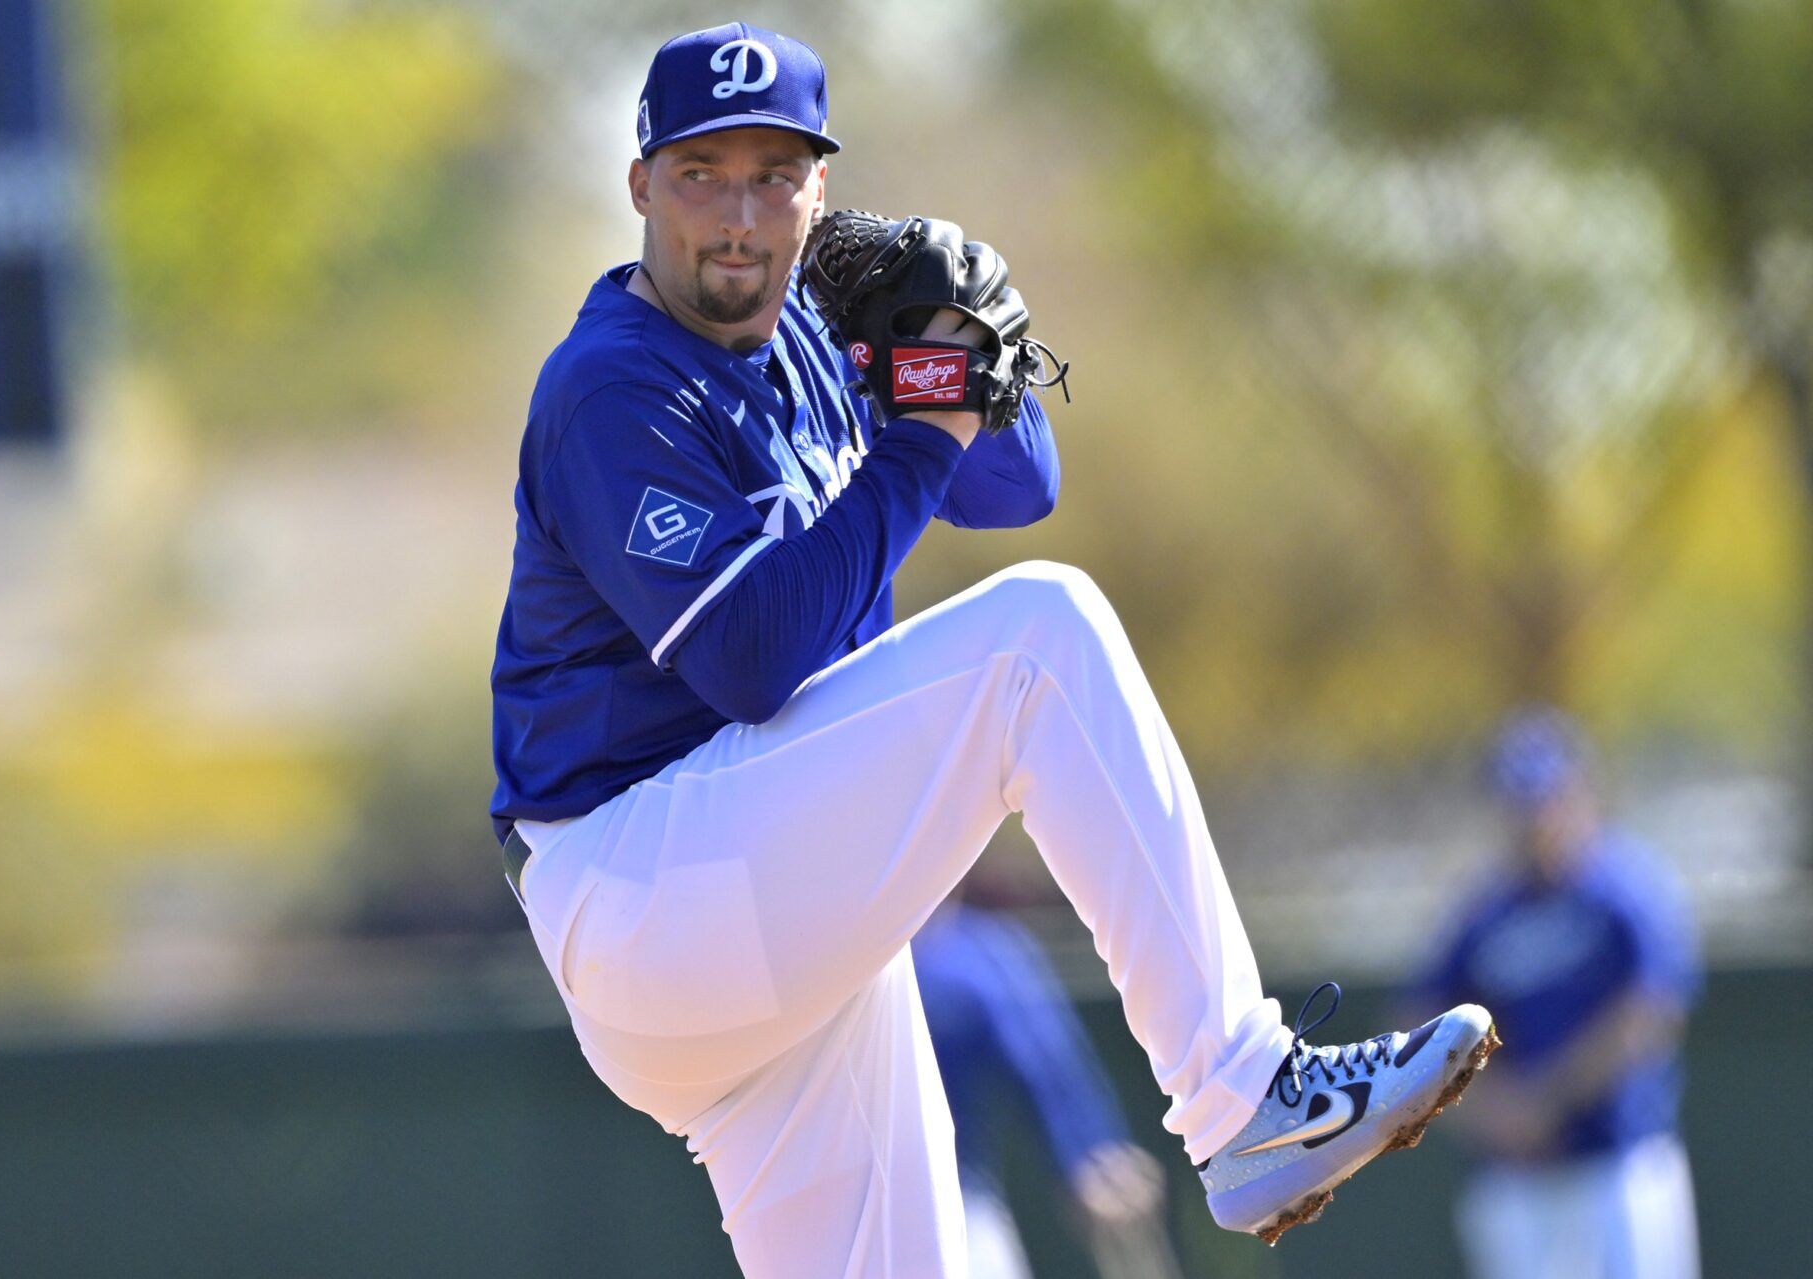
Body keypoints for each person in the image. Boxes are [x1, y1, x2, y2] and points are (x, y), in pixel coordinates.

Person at [489, 22, 1495, 1275]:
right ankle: (1242, 1097)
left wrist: (963, 348)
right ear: (641, 184)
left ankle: (1245, 1104)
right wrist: (926, 426)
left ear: (821, 189)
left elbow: (1017, 486)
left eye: (773, 173)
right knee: (1039, 636)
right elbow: (748, 660)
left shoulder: (810, 333)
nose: (738, 215)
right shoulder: (614, 384)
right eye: (702, 174)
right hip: (644, 890)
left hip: (769, 896)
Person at [1410, 708, 1701, 1279]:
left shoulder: (1624, 888)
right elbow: (1423, 1017)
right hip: (1518, 1172)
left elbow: (1652, 1011)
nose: (1534, 818)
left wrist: (1547, 1099)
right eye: (1519, 802)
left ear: (1579, 791)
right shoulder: (1485, 911)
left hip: (1618, 1162)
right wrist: (1492, 1109)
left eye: (1546, 796)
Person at [913, 891, 1180, 1279]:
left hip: (954, 1208)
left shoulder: (973, 952)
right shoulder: (834, 943)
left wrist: (1090, 1150)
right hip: (822, 1211)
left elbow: (1045, 1061)